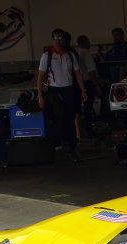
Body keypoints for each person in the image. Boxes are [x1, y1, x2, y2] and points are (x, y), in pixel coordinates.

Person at [37, 28, 87, 161]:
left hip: (69, 89)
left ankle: (71, 146)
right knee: (61, 116)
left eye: (60, 38)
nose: (58, 41)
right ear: (52, 39)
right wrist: (40, 96)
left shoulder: (70, 55)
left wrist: (83, 90)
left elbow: (77, 73)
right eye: (55, 38)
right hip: (54, 90)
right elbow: (41, 77)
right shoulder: (46, 56)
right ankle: (64, 143)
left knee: (71, 117)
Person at [76, 34, 101, 137]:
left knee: (81, 108)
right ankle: (89, 130)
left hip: (78, 83)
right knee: (88, 107)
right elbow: (91, 72)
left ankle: (81, 130)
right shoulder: (85, 53)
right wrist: (96, 85)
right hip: (87, 82)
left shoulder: (76, 52)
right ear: (85, 42)